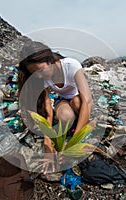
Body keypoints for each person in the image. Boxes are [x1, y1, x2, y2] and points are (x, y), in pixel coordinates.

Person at [18, 40, 93, 172]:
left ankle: (76, 128)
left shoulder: (71, 65)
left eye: (41, 70)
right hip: (63, 101)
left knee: (77, 103)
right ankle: (73, 125)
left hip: (79, 100)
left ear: (49, 61)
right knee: (65, 116)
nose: (39, 76)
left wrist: (73, 143)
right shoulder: (42, 78)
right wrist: (47, 142)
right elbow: (48, 111)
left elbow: (87, 101)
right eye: (36, 74)